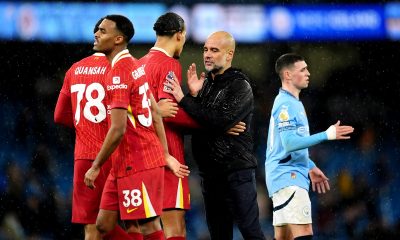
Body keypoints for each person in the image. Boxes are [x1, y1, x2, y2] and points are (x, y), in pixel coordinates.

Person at [83, 14, 189, 240]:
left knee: (148, 225)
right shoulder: (133, 65)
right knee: (103, 225)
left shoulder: (124, 70)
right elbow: (154, 111)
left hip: (138, 159)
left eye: (103, 31)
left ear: (119, 39)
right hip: (124, 160)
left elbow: (118, 129)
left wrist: (96, 165)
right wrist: (166, 153)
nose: (96, 34)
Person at [164, 31, 265, 240]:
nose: (207, 55)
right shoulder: (205, 86)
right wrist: (194, 97)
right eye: (205, 49)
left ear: (229, 55)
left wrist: (184, 100)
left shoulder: (240, 85)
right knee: (219, 235)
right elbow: (203, 122)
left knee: (251, 233)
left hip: (236, 173)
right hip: (210, 176)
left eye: (214, 50)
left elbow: (218, 120)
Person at [54, 17, 134, 240]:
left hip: (87, 158)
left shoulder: (74, 70)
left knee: (92, 227)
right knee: (134, 223)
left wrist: (84, 126)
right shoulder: (120, 69)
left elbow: (59, 115)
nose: (97, 35)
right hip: (122, 154)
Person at [264, 53, 354, 240]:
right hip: (289, 177)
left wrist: (310, 166)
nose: (308, 73)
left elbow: (286, 145)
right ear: (288, 75)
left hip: (283, 177)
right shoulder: (286, 104)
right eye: (303, 69)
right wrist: (327, 135)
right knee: (303, 234)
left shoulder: (291, 102)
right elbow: (289, 143)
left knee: (284, 237)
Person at [138, 12, 199, 240]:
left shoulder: (138, 65)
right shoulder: (169, 64)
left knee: (149, 230)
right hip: (167, 157)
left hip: (141, 157)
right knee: (175, 229)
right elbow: (169, 113)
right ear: (179, 35)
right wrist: (210, 123)